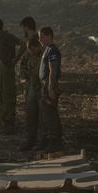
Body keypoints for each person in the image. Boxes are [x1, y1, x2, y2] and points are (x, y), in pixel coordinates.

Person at [36, 26, 64, 154]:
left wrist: (51, 88)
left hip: (49, 85)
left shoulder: (52, 50)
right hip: (46, 85)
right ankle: (50, 140)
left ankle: (54, 142)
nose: (40, 39)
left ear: (49, 36)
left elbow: (53, 70)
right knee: (45, 114)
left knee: (49, 114)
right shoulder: (47, 50)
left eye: (42, 36)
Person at [0, 18, 20, 128]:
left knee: (8, 96)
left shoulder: (7, 36)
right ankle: (5, 121)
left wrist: (15, 60)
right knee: (2, 96)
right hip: (3, 70)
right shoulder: (2, 38)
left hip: (7, 70)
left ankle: (9, 123)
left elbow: (23, 44)